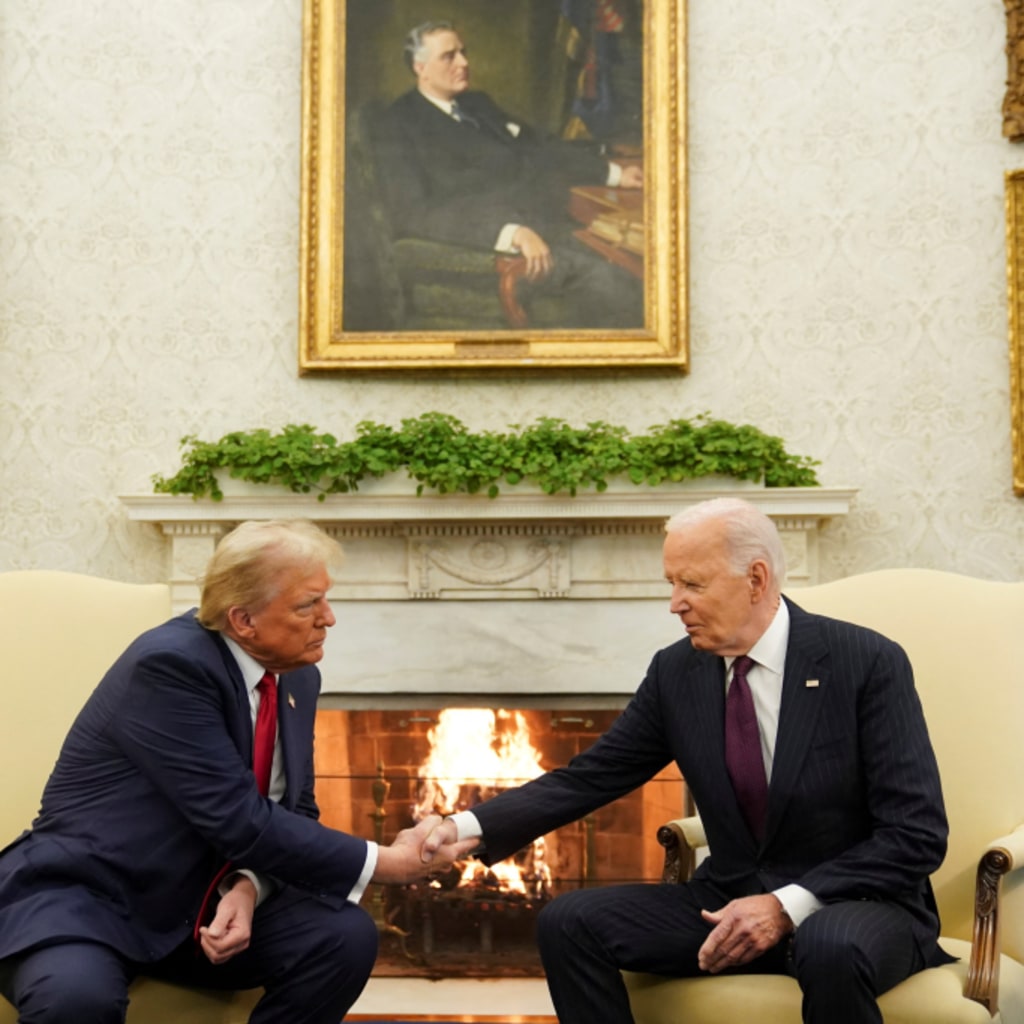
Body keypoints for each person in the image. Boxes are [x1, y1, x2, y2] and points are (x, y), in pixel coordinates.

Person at [424, 497, 952, 1024]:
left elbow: (915, 833)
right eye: (672, 583)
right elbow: (591, 776)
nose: (675, 604)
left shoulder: (864, 661)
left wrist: (785, 905)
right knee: (568, 921)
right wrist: (462, 827)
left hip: (856, 905)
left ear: (756, 579)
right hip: (728, 900)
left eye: (693, 584)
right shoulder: (677, 672)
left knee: (829, 945)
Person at [0, 519, 475, 1024]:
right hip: (92, 899)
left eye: (326, 599)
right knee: (77, 1000)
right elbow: (237, 817)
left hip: (200, 906)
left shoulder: (297, 677)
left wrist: (247, 886)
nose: (329, 618)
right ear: (244, 620)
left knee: (343, 937)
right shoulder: (169, 666)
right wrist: (388, 863)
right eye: (308, 605)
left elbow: (295, 809)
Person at [372, 20, 645, 329]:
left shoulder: (477, 104)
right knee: (619, 285)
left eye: (463, 52)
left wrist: (612, 173)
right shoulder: (397, 125)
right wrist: (510, 232)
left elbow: (540, 146)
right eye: (449, 56)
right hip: (492, 251)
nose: (464, 63)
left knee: (636, 262)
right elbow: (414, 212)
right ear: (420, 67)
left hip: (551, 226)